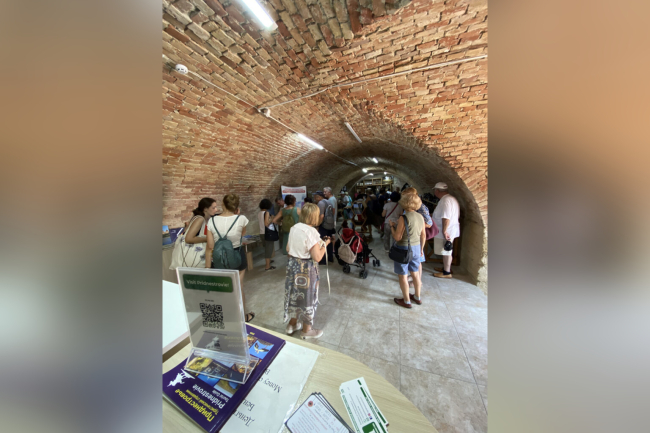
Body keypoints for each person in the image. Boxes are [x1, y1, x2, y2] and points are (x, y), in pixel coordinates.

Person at [284, 203, 331, 339]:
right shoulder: (312, 232)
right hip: (306, 269)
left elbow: (288, 249)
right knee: (308, 298)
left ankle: (292, 324)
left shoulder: (294, 228)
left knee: (294, 295)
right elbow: (317, 257)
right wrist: (325, 244)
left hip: (293, 266)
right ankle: (306, 330)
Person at [205, 194, 255, 322]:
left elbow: (210, 246)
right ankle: (243, 317)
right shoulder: (241, 219)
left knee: (222, 288)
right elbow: (242, 234)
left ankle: (225, 317)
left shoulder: (211, 221)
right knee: (238, 287)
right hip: (236, 255)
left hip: (219, 258)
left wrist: (207, 267)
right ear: (236, 207)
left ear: (223, 204)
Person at [389, 192, 426, 309]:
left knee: (403, 275)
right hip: (416, 248)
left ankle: (406, 300)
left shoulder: (403, 217)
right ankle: (417, 297)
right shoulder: (420, 217)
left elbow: (397, 237)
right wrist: (421, 249)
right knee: (415, 274)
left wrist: (391, 226)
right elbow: (423, 235)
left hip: (403, 249)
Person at [173, 197, 218, 269]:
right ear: (205, 209)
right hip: (193, 257)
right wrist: (208, 239)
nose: (216, 210)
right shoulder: (200, 219)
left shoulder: (203, 219)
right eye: (213, 208)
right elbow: (188, 239)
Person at [402, 188, 433, 287]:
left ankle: (418, 281)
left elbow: (429, 223)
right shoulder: (409, 206)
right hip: (410, 237)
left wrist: (413, 224)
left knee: (417, 260)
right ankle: (413, 276)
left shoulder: (421, 207)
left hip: (417, 237)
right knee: (411, 258)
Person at [431, 182, 460, 278]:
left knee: (447, 251)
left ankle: (447, 272)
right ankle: (445, 268)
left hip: (447, 230)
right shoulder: (450, 198)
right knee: (446, 250)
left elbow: (446, 217)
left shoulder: (445, 201)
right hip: (450, 229)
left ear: (437, 191)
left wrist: (444, 231)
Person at [314, 191, 335, 263]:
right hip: (330, 224)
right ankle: (330, 258)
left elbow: (321, 216)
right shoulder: (328, 202)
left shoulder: (320, 203)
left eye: (315, 197)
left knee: (322, 241)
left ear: (319, 197)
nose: (314, 199)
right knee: (329, 241)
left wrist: (317, 225)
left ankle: (323, 260)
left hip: (324, 225)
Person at [258, 199, 279, 271]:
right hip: (268, 233)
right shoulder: (266, 213)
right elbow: (266, 224)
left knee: (266, 248)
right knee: (268, 250)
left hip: (262, 233)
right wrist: (272, 219)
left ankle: (268, 261)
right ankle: (267, 266)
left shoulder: (259, 213)